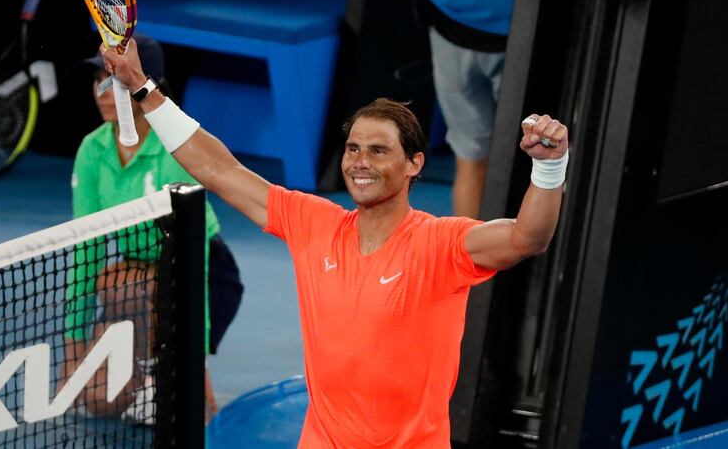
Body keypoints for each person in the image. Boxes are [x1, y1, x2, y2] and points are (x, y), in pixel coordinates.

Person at [101, 38, 569, 448]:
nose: (360, 162)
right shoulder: (314, 222)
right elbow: (221, 170)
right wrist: (144, 88)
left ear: (415, 164)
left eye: (379, 150)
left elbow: (527, 237)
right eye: (352, 148)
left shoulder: (441, 244)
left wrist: (549, 168)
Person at [63, 33, 243, 421]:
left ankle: (164, 370)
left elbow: (193, 263)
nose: (102, 92)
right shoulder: (92, 150)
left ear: (145, 83)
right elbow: (86, 249)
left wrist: (198, 364)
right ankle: (150, 373)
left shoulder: (176, 148)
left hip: (201, 272)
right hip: (138, 273)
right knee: (97, 400)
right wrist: (74, 342)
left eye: (112, 80)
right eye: (98, 81)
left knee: (120, 287)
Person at [403, 0, 528, 217]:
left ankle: (471, 264)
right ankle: (473, 263)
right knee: (537, 162)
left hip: (462, 22)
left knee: (474, 158)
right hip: (481, 28)